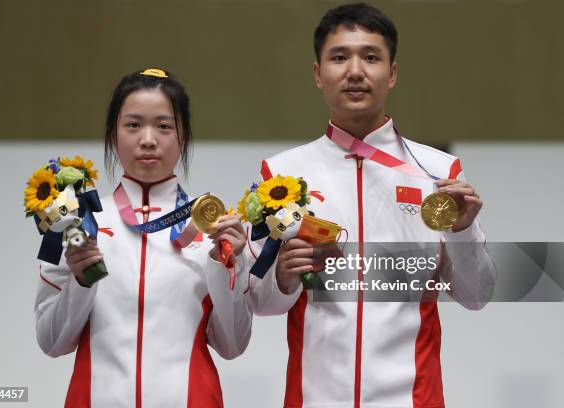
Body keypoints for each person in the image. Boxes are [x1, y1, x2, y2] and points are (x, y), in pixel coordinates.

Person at [246, 3, 496, 408]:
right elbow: (260, 302)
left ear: (392, 73)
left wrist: (463, 229)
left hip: (413, 399)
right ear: (317, 74)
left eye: (371, 57)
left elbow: (477, 294)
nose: (356, 71)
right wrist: (284, 279)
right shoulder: (280, 175)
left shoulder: (438, 172)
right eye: (340, 57)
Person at [34, 68, 251, 408]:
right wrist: (80, 281)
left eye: (164, 126)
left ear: (183, 138)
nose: (148, 139)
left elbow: (232, 345)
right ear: (113, 136)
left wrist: (225, 266)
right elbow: (51, 342)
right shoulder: (78, 224)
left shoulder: (216, 230)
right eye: (133, 125)